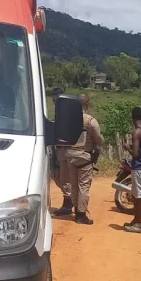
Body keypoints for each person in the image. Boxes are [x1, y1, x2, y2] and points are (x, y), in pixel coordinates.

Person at [66, 93, 104, 225]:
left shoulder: (68, 119)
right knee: (83, 186)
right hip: (84, 156)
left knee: (74, 184)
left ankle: (76, 210)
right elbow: (99, 139)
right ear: (87, 104)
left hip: (70, 155)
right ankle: (81, 215)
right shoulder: (90, 121)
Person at [50, 87, 74, 216]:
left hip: (65, 149)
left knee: (65, 178)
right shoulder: (59, 112)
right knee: (57, 175)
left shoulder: (67, 113)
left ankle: (68, 204)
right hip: (58, 148)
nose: (55, 104)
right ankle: (70, 199)